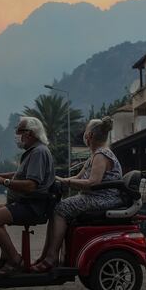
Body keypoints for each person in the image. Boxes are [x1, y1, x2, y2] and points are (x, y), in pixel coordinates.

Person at [32, 116, 122, 272]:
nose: (84, 134)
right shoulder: (94, 155)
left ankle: (51, 257)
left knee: (60, 210)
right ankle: (47, 255)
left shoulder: (101, 155)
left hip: (103, 199)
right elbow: (78, 178)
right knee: (57, 208)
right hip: (94, 197)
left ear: (90, 136)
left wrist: (65, 182)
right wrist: (58, 179)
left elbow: (93, 182)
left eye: (86, 131)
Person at [0, 116, 55, 276]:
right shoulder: (33, 152)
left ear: (29, 133)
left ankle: (16, 261)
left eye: (18, 131)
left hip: (33, 206)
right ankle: (6, 256)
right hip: (25, 203)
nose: (16, 135)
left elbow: (30, 185)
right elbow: (19, 174)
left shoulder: (38, 152)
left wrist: (2, 181)